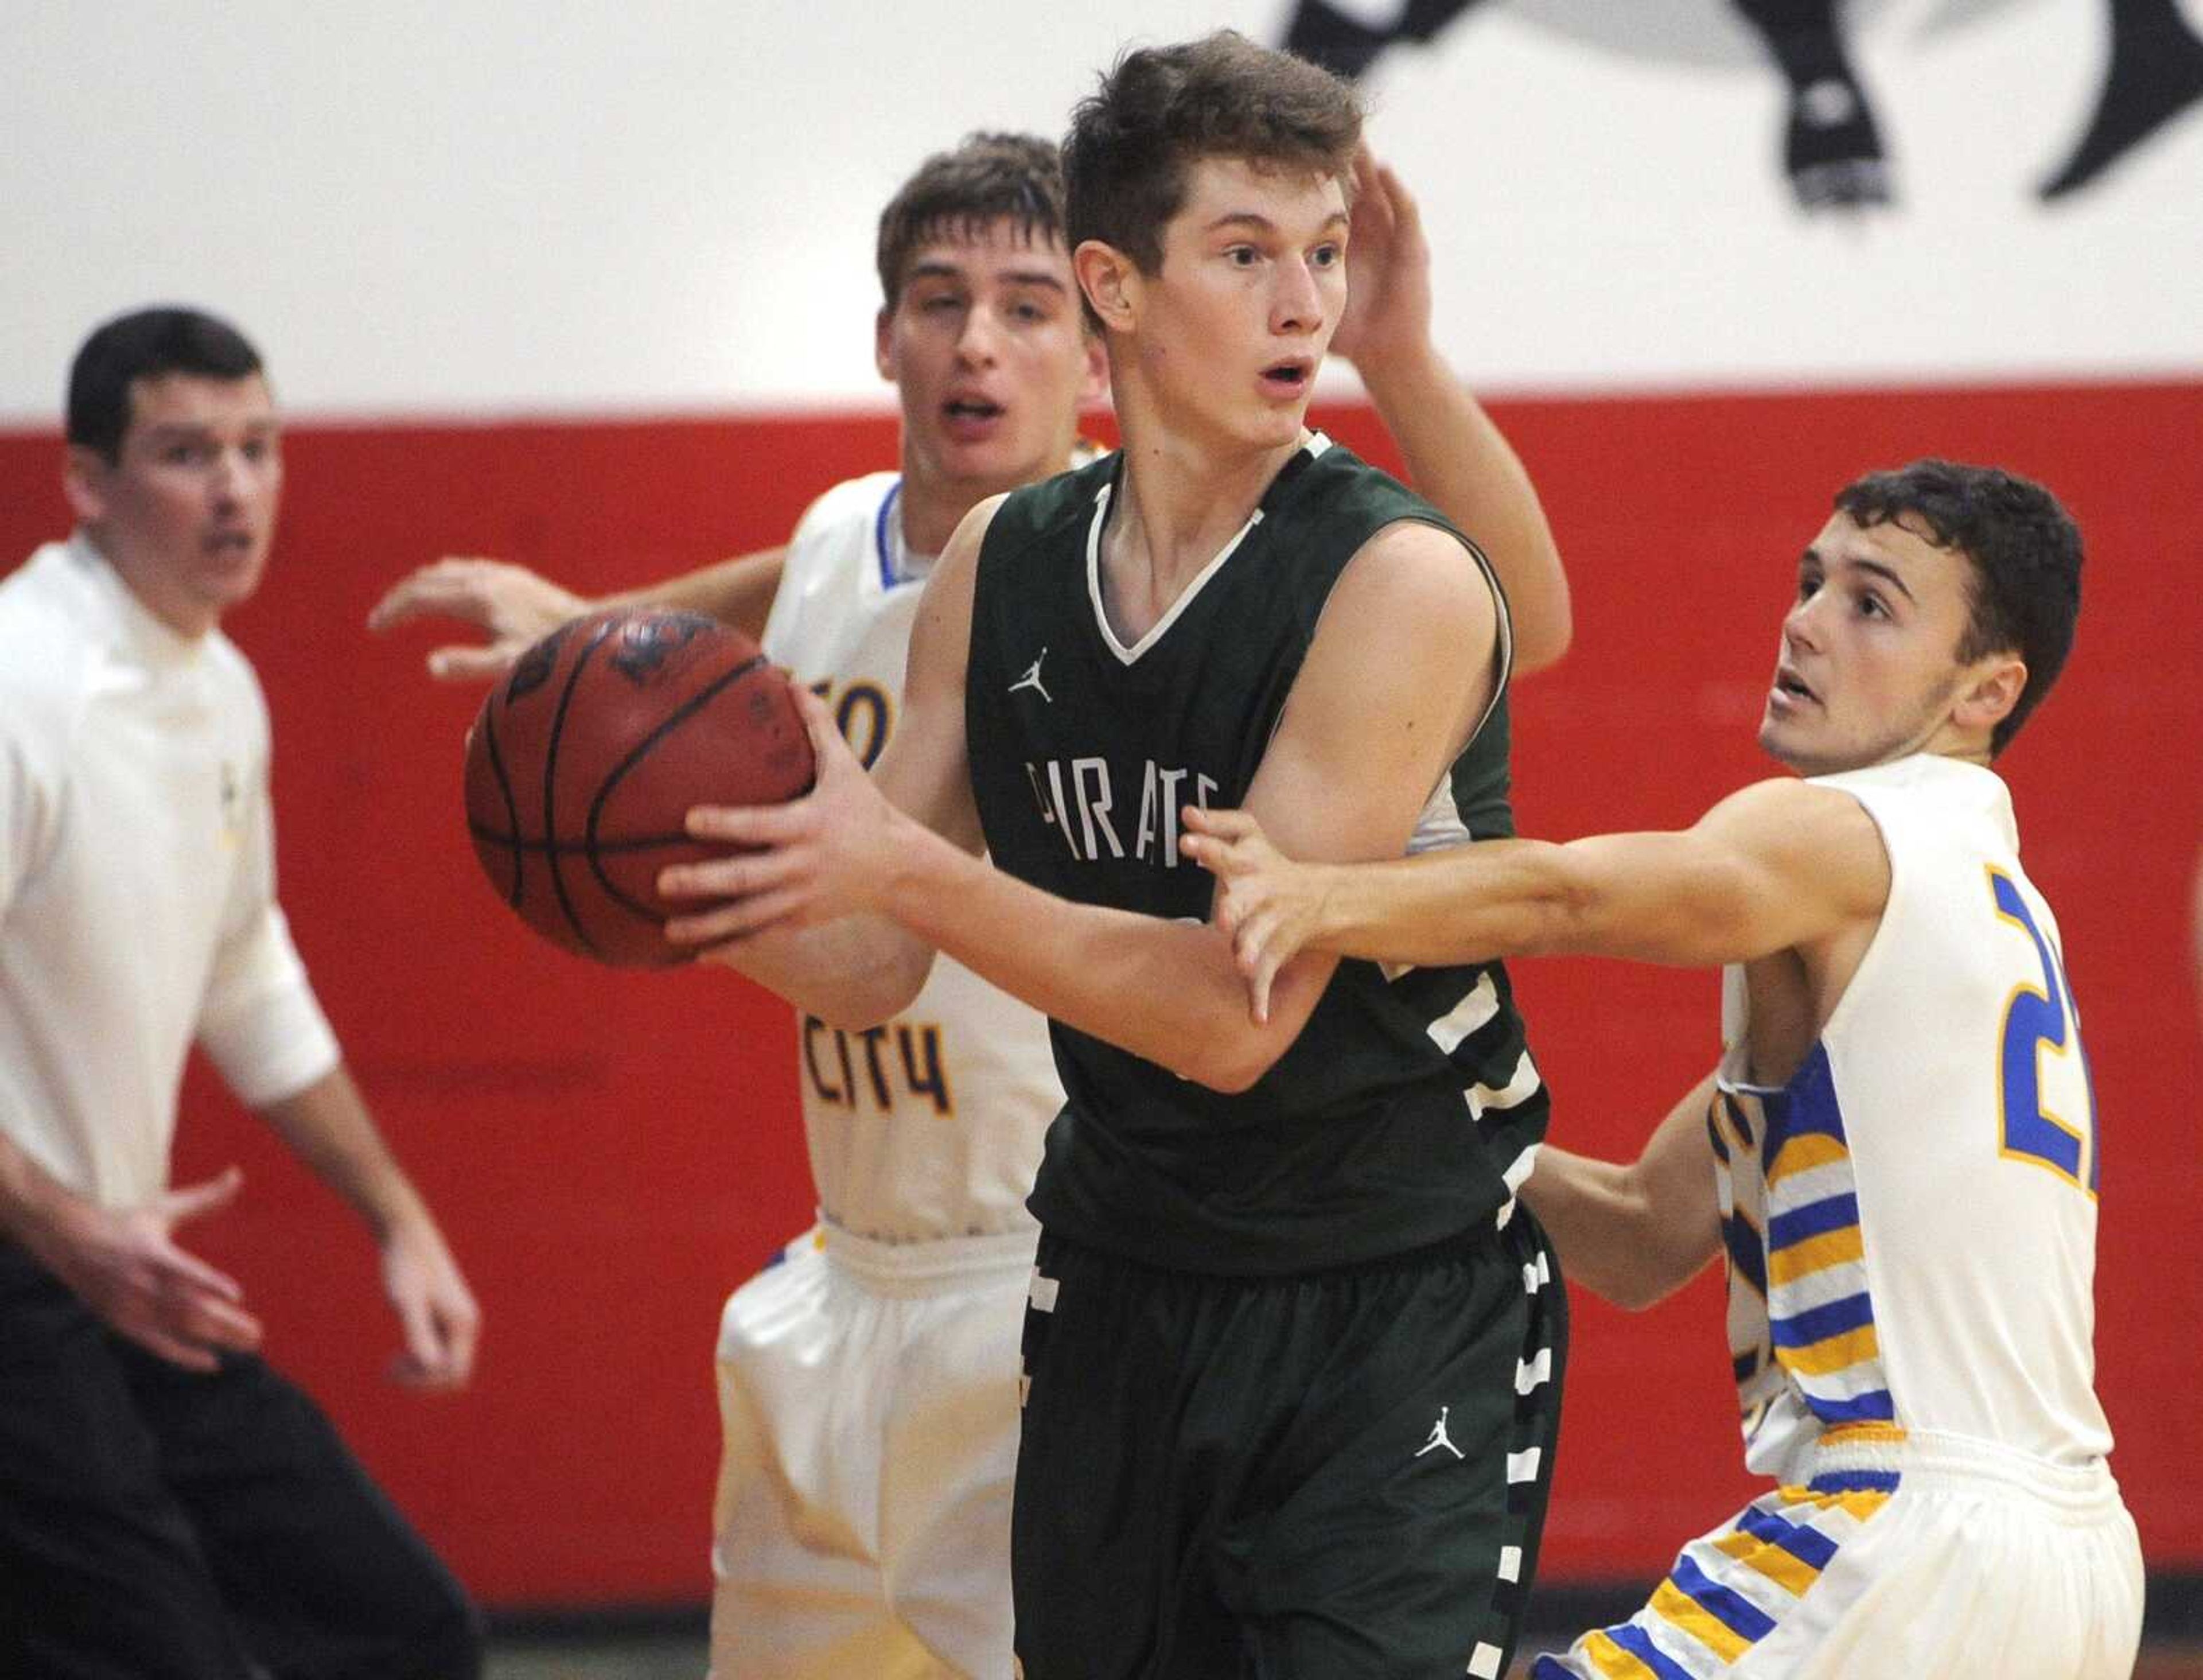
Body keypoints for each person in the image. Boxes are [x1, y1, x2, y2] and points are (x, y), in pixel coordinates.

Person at [373, 117, 1570, 1678]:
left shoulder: (1182, 552)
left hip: (1041, 1257)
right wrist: (594, 659)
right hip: (839, 1273)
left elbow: (1516, 616)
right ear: (884, 335)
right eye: (941, 302)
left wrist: (1402, 358)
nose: (978, 346)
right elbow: (792, 628)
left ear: (1095, 332)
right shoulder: (847, 548)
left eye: (1022, 307)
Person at [1181, 459, 2146, 1677]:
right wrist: (1377, 1125)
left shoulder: (1854, 832)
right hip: (2071, 1566)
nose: (1804, 622)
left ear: (1985, 692)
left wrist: (1315, 896)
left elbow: (1567, 892)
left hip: (1909, 1532)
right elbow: (1642, 1233)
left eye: (1872, 605)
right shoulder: (1989, 908)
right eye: (1812, 581)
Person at [0, 308, 482, 1677]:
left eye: (258, 448)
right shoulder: (24, 683)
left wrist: (400, 1219)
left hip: (106, 1276)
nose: (233, 489)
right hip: (36, 1274)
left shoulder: (219, 689)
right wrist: (66, 1229)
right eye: (186, 452)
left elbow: (246, 973)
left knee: (399, 1625)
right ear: (89, 484)